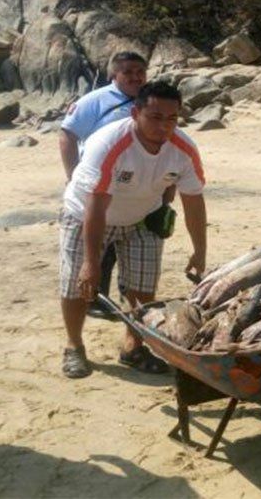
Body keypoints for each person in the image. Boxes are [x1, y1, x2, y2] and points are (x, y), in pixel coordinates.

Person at [57, 81, 207, 378]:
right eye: (155, 117)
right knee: (78, 283)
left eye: (172, 118)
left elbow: (193, 201)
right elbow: (96, 205)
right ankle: (74, 345)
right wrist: (91, 262)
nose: (164, 126)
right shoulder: (110, 144)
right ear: (135, 112)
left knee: (143, 286)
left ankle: (132, 346)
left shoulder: (184, 149)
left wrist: (200, 250)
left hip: (142, 217)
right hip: (86, 214)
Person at [59, 52, 149, 310]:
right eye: (128, 72)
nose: (135, 77)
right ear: (114, 75)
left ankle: (125, 299)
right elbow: (67, 135)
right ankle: (95, 300)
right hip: (100, 184)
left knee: (129, 246)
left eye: (139, 72)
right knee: (99, 244)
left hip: (136, 185)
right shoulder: (96, 100)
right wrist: (72, 176)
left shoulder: (149, 100)